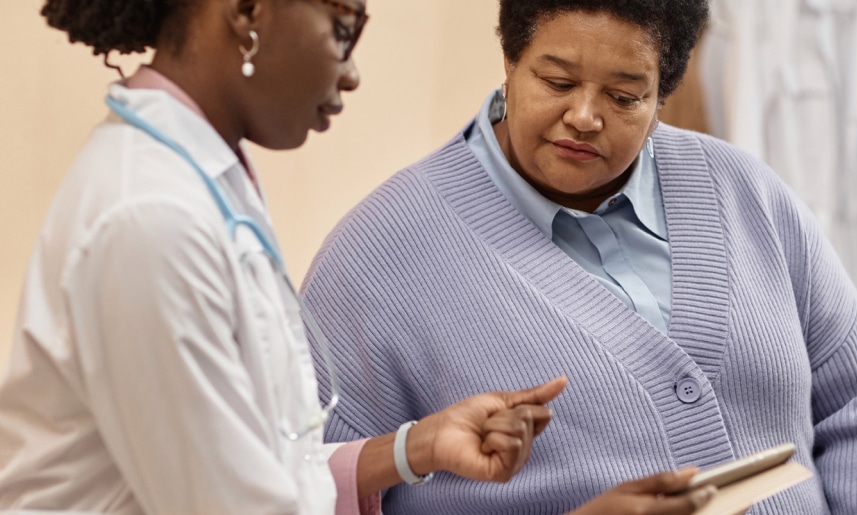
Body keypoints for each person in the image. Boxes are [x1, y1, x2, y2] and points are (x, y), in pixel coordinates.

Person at [0, 0, 718, 514]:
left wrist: (417, 447)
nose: (351, 75)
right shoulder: (150, 221)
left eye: (624, 95)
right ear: (250, 14)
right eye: (344, 28)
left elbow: (264, 466)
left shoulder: (200, 188)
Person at [301, 0, 857, 513]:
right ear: (509, 63)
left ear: (660, 99)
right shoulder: (375, 259)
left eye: (624, 97)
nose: (584, 117)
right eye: (557, 82)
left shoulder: (743, 192)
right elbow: (301, 491)